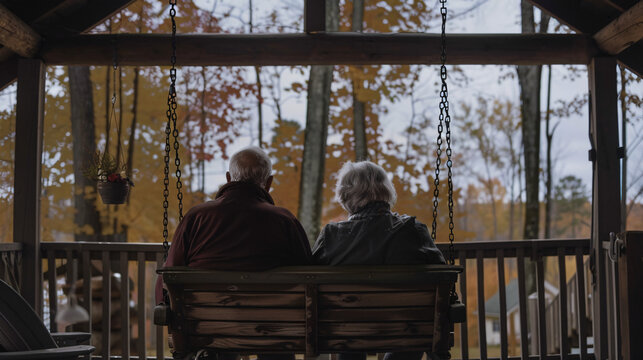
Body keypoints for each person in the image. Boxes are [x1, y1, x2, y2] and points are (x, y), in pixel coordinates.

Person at [156, 146, 312, 360]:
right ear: (268, 183)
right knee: (278, 340)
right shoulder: (284, 220)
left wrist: (165, 304)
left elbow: (170, 273)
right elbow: (308, 272)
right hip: (273, 331)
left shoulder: (197, 218)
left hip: (208, 328)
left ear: (229, 179)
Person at [312, 160, 445, 360]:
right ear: (386, 191)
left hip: (346, 330)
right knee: (417, 325)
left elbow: (312, 275)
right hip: (405, 330)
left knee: (346, 326)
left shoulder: (331, 236)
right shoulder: (412, 230)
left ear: (345, 196)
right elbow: (441, 276)